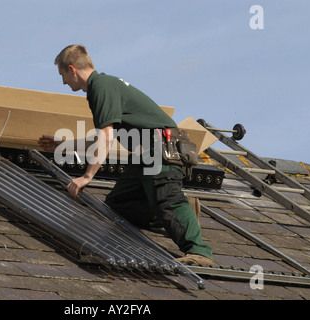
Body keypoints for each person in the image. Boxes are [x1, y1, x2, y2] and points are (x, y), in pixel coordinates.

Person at [39, 44, 214, 266]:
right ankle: (184, 211)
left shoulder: (101, 86)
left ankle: (200, 252)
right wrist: (64, 145)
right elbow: (101, 135)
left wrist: (87, 176)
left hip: (162, 147)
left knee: (167, 199)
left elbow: (106, 138)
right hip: (145, 154)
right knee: (118, 204)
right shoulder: (102, 87)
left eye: (63, 75)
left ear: (72, 69)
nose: (64, 82)